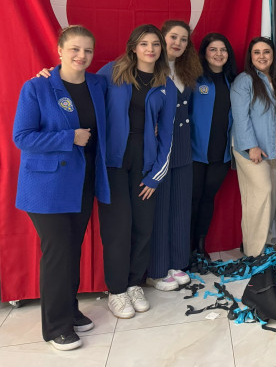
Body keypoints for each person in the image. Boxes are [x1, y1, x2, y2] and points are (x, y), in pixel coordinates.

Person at [13, 26, 110, 351]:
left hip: (82, 183)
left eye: (87, 50)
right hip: (47, 187)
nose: (81, 56)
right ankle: (56, 326)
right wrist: (69, 137)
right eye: (74, 49)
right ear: (59, 50)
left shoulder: (97, 84)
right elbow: (22, 137)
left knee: (71, 250)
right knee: (57, 253)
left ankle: (69, 309)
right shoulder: (37, 87)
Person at [97, 24, 176, 319]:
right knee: (118, 229)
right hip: (114, 163)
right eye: (144, 44)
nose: (150, 49)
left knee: (143, 228)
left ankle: (133, 284)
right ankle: (116, 291)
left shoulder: (166, 84)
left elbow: (167, 134)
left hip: (145, 162)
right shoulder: (111, 72)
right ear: (133, 47)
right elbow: (78, 86)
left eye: (155, 44)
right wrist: (49, 75)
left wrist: (155, 176)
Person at [146, 20, 201, 291]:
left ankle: (177, 262)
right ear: (162, 38)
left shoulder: (185, 70)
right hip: (159, 150)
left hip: (183, 149)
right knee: (160, 210)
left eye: (183, 39)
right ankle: (157, 269)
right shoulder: (148, 68)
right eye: (173, 37)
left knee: (180, 207)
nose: (178, 43)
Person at [231, 37, 276, 257]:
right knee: (261, 193)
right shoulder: (244, 80)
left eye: (266, 52)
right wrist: (251, 146)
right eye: (256, 52)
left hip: (275, 147)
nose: (262, 56)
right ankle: (254, 251)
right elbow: (240, 116)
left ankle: (270, 242)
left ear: (273, 55)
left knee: (271, 195)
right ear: (251, 56)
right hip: (251, 148)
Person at [190, 33, 237, 255]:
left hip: (221, 154)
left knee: (208, 200)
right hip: (194, 153)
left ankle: (201, 247)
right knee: (192, 200)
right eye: (213, 49)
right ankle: (185, 248)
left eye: (223, 49)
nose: (219, 54)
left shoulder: (233, 81)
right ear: (204, 53)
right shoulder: (194, 80)